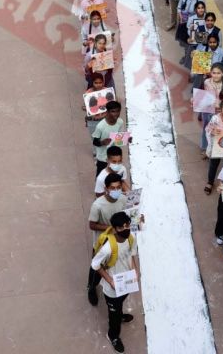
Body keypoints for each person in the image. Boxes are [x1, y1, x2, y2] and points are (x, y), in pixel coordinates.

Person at [91, 211, 139, 353]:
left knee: (121, 303)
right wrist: (110, 280)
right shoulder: (108, 248)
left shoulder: (131, 238)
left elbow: (132, 254)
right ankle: (113, 335)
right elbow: (95, 264)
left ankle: (119, 314)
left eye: (127, 225)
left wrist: (135, 270)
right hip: (112, 288)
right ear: (115, 228)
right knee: (114, 314)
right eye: (121, 227)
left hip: (126, 282)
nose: (125, 229)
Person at [87, 173, 127, 305]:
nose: (116, 191)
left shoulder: (123, 199)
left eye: (118, 187)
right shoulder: (97, 205)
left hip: (118, 241)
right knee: (96, 268)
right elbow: (92, 225)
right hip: (102, 243)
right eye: (113, 188)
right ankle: (91, 287)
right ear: (106, 189)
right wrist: (111, 227)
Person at [198, 62, 223, 149]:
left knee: (218, 131)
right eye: (214, 73)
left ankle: (216, 149)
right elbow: (202, 94)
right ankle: (204, 148)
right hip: (207, 110)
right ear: (210, 73)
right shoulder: (206, 82)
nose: (216, 75)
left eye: (218, 73)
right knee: (206, 129)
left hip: (218, 114)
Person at [91, 101, 125, 176]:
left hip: (115, 157)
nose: (116, 114)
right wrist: (102, 142)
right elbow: (95, 142)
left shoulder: (120, 122)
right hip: (103, 158)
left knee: (115, 178)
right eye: (113, 111)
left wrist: (126, 139)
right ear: (107, 112)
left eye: (118, 111)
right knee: (101, 177)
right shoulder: (100, 126)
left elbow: (119, 137)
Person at [181, 0, 207, 67]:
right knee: (192, 57)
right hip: (194, 40)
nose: (201, 10)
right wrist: (191, 32)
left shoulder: (207, 18)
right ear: (195, 9)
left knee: (202, 60)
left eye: (202, 8)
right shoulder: (192, 18)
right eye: (199, 8)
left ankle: (201, 72)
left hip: (204, 41)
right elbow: (188, 28)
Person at [84, 72, 110, 136]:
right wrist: (86, 108)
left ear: (103, 82)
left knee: (106, 137)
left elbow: (112, 106)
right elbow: (87, 107)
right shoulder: (89, 92)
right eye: (96, 83)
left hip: (106, 118)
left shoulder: (107, 91)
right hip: (94, 120)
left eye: (100, 82)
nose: (98, 85)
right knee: (96, 138)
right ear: (92, 83)